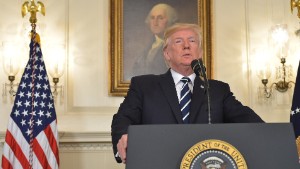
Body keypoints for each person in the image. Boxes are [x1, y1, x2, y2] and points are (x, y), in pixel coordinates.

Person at [111, 23, 264, 164]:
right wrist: (123, 137)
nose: (186, 46)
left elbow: (249, 121)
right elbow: (123, 118)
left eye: (192, 41)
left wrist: (273, 137)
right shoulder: (144, 86)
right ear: (166, 53)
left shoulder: (217, 91)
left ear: (200, 52)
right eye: (178, 41)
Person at [131, 3, 178, 76]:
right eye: (152, 18)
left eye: (160, 18)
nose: (155, 22)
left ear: (169, 21)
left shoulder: (177, 46)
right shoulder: (149, 46)